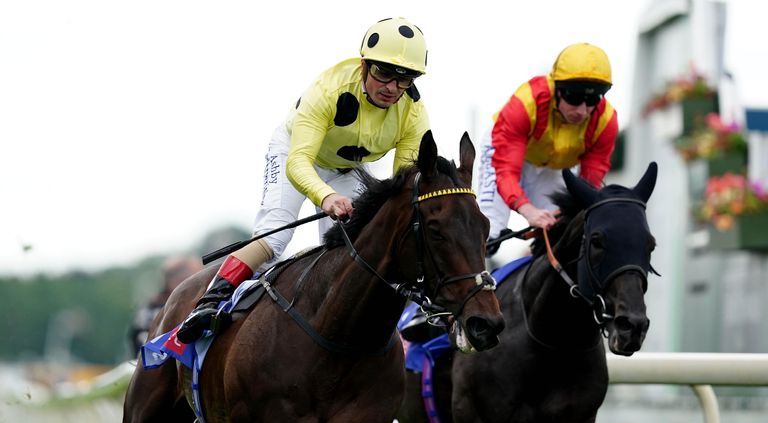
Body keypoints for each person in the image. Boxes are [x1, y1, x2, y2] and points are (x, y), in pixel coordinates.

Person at [176, 17, 430, 344]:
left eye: (405, 78)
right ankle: (208, 302)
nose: (392, 88)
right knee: (275, 236)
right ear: (365, 65)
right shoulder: (328, 90)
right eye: (383, 73)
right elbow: (298, 163)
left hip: (347, 168)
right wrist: (325, 197)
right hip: (295, 154)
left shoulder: (413, 112)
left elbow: (401, 182)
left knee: (353, 247)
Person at [477, 42, 618, 254]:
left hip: (552, 167)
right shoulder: (525, 104)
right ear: (557, 89)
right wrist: (528, 210)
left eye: (591, 99)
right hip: (505, 153)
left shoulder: (606, 121)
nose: (582, 110)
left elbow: (587, 185)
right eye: (574, 97)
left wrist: (566, 214)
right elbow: (506, 171)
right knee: (491, 231)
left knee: (561, 233)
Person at [128, 256, 203, 353]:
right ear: (169, 281)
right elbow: (143, 346)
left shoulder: (205, 305)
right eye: (184, 279)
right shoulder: (151, 310)